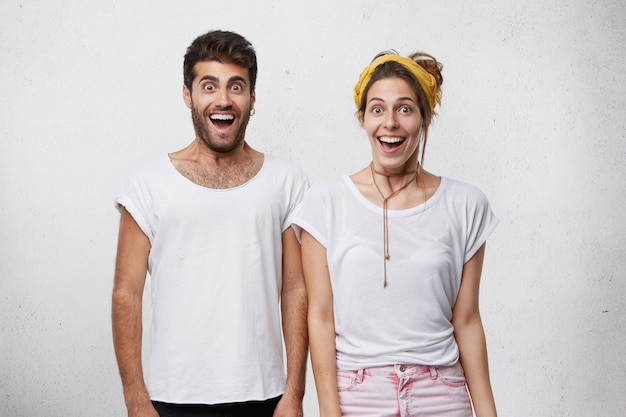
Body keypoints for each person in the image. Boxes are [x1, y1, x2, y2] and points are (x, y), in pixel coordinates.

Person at [112, 30, 309, 417]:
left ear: (252, 98)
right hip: (173, 398)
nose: (223, 100)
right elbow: (126, 294)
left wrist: (294, 393)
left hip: (265, 396)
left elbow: (296, 290)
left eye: (237, 86)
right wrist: (136, 400)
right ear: (188, 95)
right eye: (209, 86)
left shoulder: (287, 181)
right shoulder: (146, 184)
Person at [296, 51, 499, 417]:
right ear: (362, 119)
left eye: (405, 109)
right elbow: (321, 317)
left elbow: (466, 320)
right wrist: (329, 409)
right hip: (357, 395)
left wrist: (487, 411)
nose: (389, 122)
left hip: (442, 394)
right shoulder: (325, 202)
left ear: (425, 118)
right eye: (377, 109)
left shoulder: (466, 205)